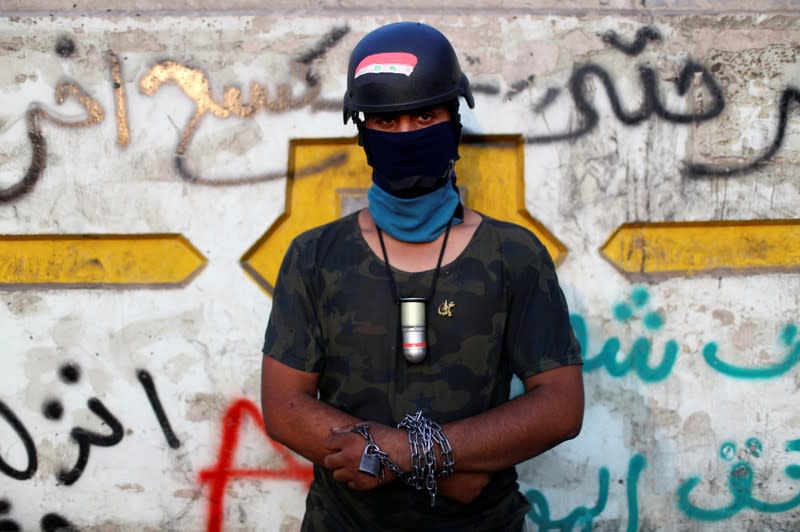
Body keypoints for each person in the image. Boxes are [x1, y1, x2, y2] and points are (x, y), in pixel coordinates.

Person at [261, 21, 584, 531]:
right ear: (362, 132)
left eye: (424, 115)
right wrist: (434, 462)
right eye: (386, 121)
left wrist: (411, 451)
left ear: (454, 122)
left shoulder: (513, 254)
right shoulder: (315, 255)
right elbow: (284, 406)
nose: (406, 134)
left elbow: (561, 406)